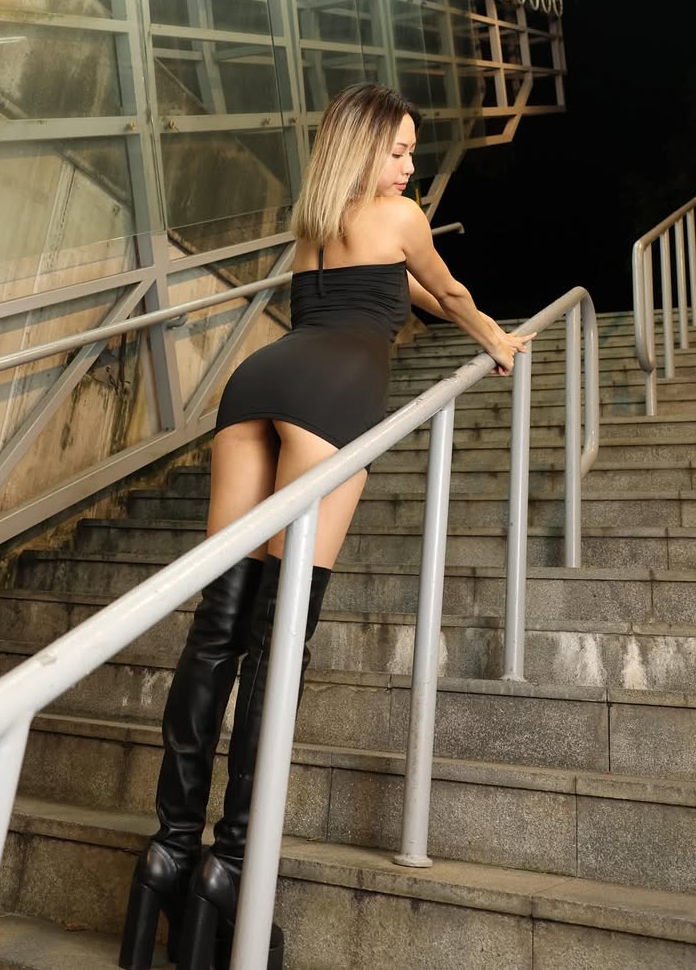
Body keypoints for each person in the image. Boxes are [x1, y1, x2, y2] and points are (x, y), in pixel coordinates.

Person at [119, 83, 532, 970]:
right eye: (399, 150)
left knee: (216, 626)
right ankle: (232, 866)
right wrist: (494, 338)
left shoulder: (312, 221)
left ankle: (168, 850)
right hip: (330, 400)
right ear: (366, 147)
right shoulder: (402, 217)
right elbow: (448, 289)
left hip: (256, 386)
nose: (411, 165)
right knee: (279, 634)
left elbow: (399, 293)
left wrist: (444, 306)